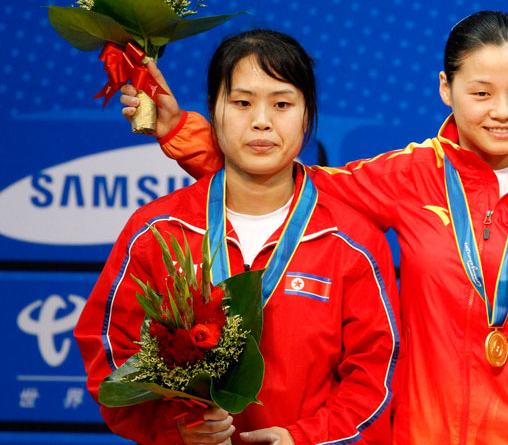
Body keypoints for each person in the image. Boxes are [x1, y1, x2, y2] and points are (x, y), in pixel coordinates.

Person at [119, 11, 508, 444]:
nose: (503, 111)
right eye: (481, 93)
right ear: (446, 89)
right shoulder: (410, 175)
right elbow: (288, 181)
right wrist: (181, 133)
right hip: (422, 436)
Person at [75, 30, 400, 445]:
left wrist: (304, 439)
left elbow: (376, 373)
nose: (262, 121)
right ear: (213, 109)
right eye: (242, 103)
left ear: (308, 116)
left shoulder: (350, 242)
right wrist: (176, 428)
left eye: (282, 104)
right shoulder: (158, 231)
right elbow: (109, 351)